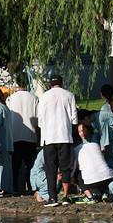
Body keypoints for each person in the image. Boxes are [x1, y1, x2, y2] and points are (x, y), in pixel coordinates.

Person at [38, 74, 78, 206]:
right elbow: (74, 119)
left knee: (51, 168)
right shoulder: (69, 95)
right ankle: (65, 197)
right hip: (64, 135)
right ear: (62, 83)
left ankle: (53, 198)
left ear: (50, 84)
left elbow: (40, 120)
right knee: (65, 167)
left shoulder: (44, 97)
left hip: (49, 137)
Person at [6, 76, 39, 195]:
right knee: (30, 164)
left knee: (15, 164)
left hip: (14, 134)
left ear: (16, 83)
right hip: (30, 135)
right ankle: (31, 186)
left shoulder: (11, 98)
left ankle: (15, 187)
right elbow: (37, 118)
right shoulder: (34, 98)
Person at [74, 123, 113, 202]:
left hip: (92, 182)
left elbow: (75, 167)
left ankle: (89, 196)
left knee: (77, 174)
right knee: (101, 167)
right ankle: (105, 192)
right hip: (109, 178)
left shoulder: (75, 150)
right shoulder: (95, 144)